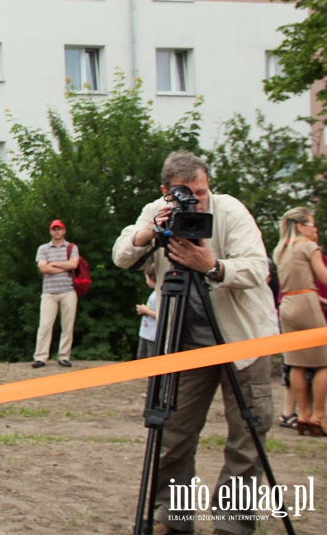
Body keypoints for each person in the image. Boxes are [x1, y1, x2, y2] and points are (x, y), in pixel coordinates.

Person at [112, 150, 276, 535]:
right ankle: (173, 517)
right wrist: (150, 230)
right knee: (174, 435)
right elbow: (122, 255)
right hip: (185, 341)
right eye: (186, 194)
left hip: (243, 340)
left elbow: (258, 267)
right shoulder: (157, 210)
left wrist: (213, 266)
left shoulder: (231, 212)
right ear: (166, 191)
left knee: (247, 436)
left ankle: (233, 524)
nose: (195, 201)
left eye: (201, 192)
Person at [272, 207, 327, 436]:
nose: (315, 230)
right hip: (306, 302)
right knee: (324, 361)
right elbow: (322, 276)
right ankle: (318, 416)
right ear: (301, 226)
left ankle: (302, 415)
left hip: (288, 304)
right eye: (312, 225)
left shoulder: (281, 250)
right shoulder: (307, 246)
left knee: (296, 362)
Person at [32, 219, 79, 368]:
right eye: (54, 229)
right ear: (50, 231)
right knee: (45, 325)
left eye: (59, 229)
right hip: (49, 292)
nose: (57, 232)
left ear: (64, 230)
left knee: (67, 325)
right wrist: (64, 267)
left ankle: (64, 356)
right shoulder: (43, 248)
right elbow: (43, 268)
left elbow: (74, 264)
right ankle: (40, 357)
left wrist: (53, 264)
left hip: (68, 291)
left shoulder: (72, 247)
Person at [136, 264, 158, 359]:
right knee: (142, 357)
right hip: (146, 333)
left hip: (153, 335)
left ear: (152, 278)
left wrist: (145, 310)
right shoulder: (154, 293)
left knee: (151, 358)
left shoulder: (158, 295)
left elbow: (159, 315)